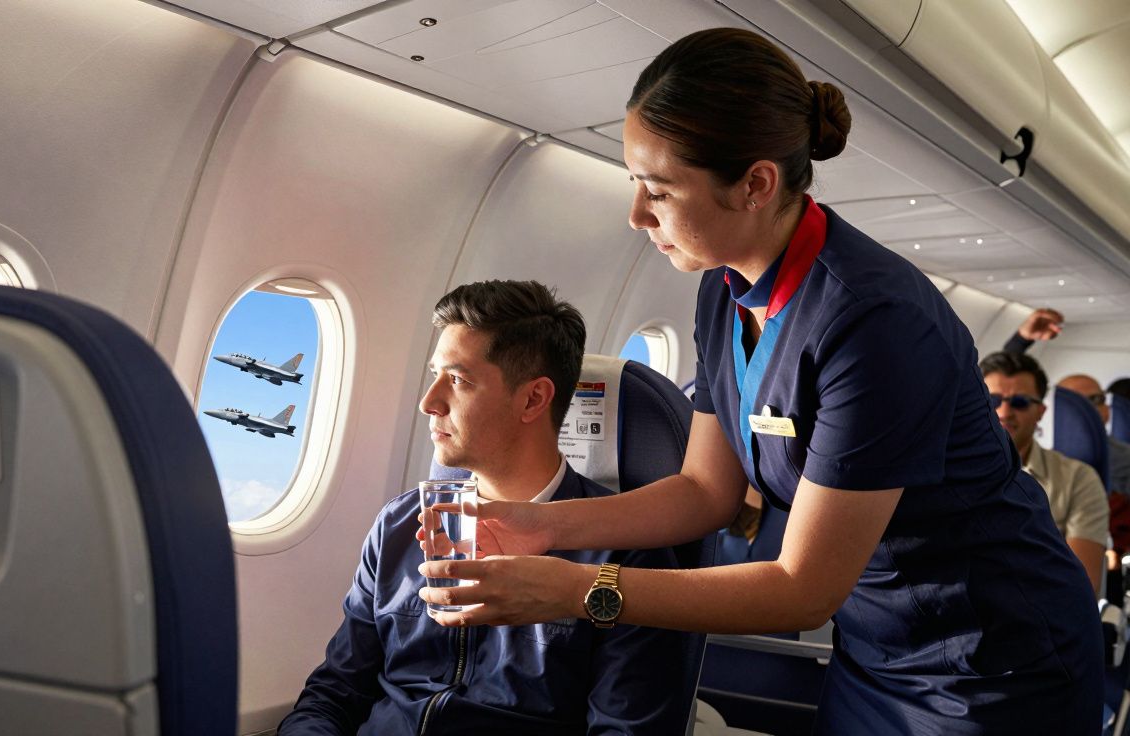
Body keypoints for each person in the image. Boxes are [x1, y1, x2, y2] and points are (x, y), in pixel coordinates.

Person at [417, 28, 1102, 734]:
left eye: (659, 190)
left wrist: (578, 590)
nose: (636, 214)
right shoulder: (722, 293)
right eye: (634, 184)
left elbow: (802, 590)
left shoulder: (875, 323)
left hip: (996, 656)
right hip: (872, 644)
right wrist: (540, 524)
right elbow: (704, 491)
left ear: (755, 185)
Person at [279, 280, 696, 735]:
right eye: (434, 375)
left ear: (533, 399)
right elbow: (334, 694)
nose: (428, 402)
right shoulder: (399, 526)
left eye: (458, 380)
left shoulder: (625, 552)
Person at [979, 351, 1109, 591]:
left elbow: (1081, 585)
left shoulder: (1077, 479)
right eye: (993, 400)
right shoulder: (946, 472)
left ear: (1040, 411)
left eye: (1020, 402)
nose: (1004, 412)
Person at [1002, 307, 1130, 496]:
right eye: (1077, 405)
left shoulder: (1120, 458)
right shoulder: (1029, 443)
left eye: (1099, 399)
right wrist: (1020, 340)